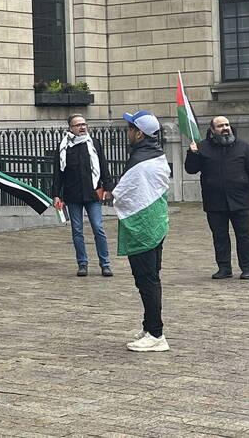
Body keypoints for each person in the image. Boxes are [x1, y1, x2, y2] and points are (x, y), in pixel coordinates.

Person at [113, 111, 171, 353]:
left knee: (147, 280)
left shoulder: (141, 160)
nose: (127, 133)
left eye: (129, 129)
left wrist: (112, 195)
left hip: (144, 227)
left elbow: (124, 192)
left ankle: (157, 334)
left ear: (139, 133)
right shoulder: (154, 154)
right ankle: (149, 327)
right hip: (156, 224)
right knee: (149, 279)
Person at [184, 116, 249, 280]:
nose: (225, 128)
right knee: (220, 236)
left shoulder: (243, 147)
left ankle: (247, 267)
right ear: (212, 130)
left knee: (244, 235)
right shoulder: (202, 147)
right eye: (220, 126)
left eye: (227, 125)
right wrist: (192, 153)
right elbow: (191, 169)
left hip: (240, 199)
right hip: (214, 201)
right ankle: (224, 267)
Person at [51, 113, 115, 277]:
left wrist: (107, 187)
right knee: (77, 230)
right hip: (72, 194)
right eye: (78, 125)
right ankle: (82, 263)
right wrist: (56, 194)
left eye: (84, 124)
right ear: (71, 128)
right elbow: (58, 173)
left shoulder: (94, 144)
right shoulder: (63, 147)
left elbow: (103, 166)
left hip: (92, 192)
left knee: (98, 227)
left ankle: (105, 263)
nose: (82, 127)